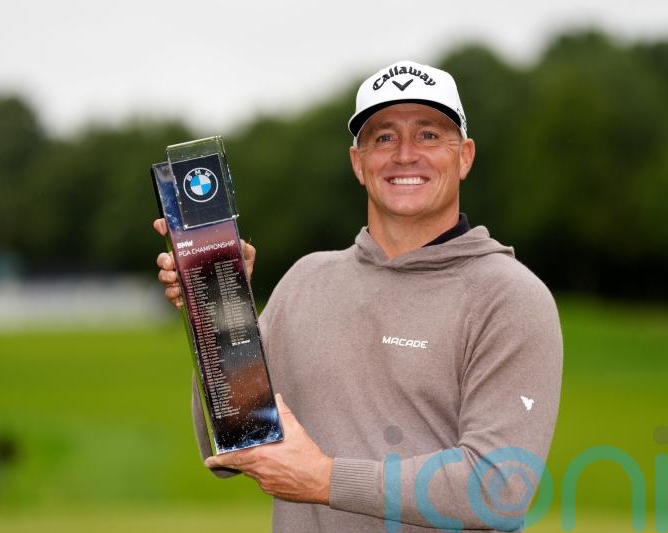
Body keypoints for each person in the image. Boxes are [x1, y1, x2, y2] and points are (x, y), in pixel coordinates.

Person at [154, 60, 562, 532]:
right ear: (358, 163)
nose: (405, 154)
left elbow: (497, 489)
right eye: (384, 137)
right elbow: (237, 438)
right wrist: (220, 309)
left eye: (429, 135)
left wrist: (324, 479)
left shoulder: (509, 298)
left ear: (465, 156)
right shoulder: (306, 280)